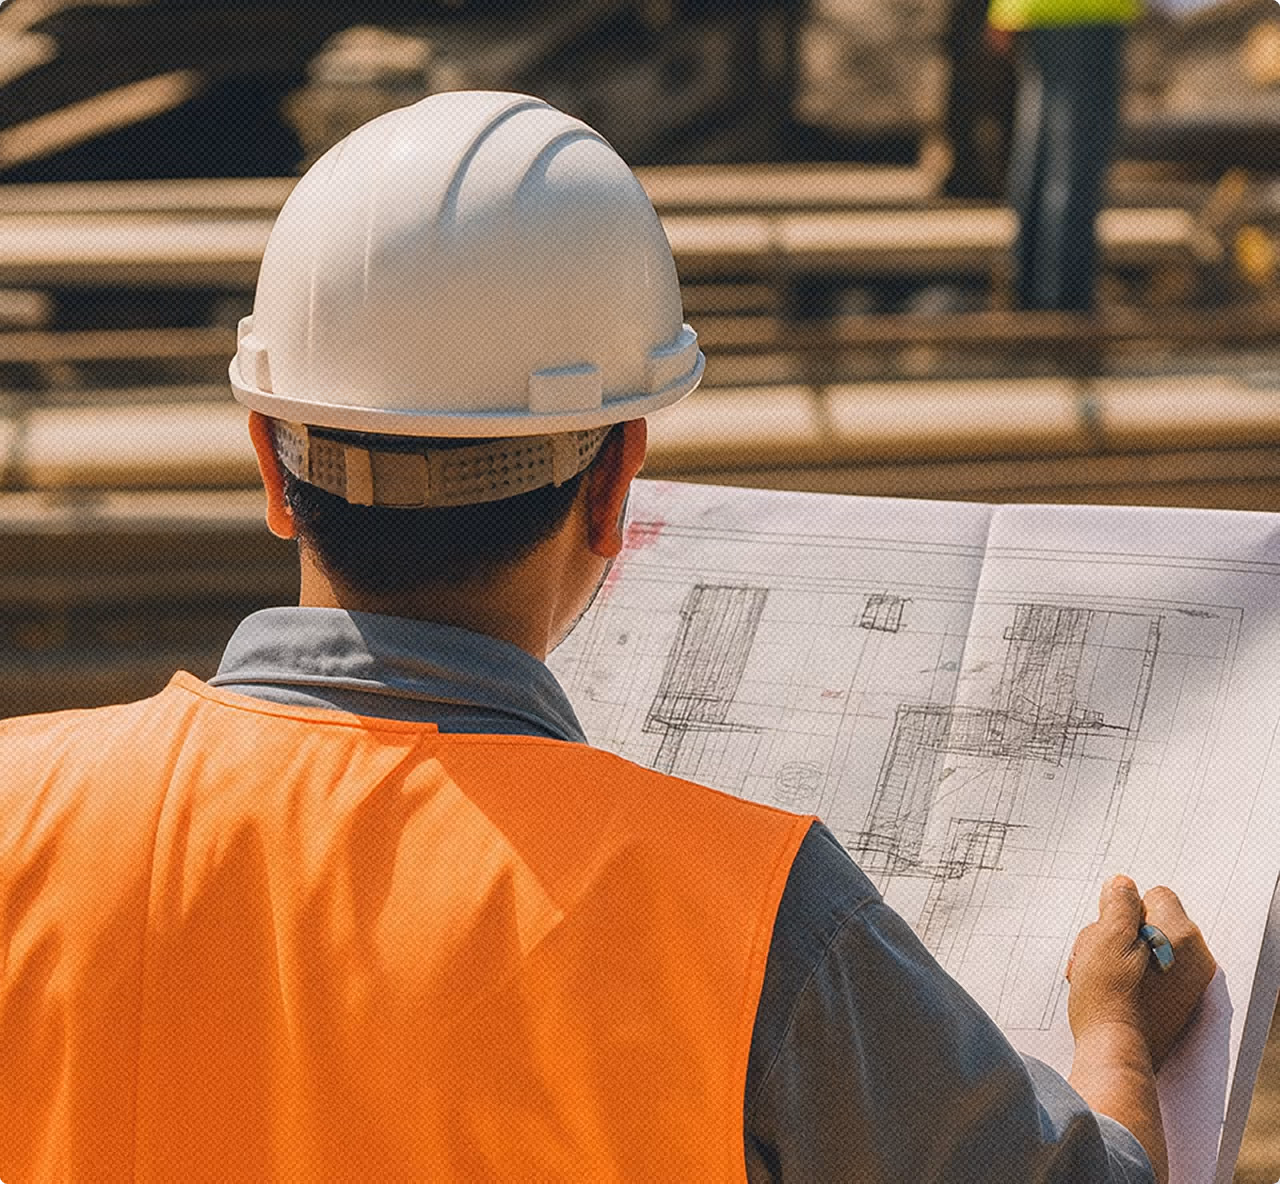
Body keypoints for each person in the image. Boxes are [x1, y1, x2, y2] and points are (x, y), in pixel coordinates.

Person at [0, 91, 1214, 1183]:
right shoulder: (758, 918)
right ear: (612, 483)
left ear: (271, 466)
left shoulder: (21, 815)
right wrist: (1113, 1035)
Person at [988, 0, 1142, 309]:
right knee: (1076, 158)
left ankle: (1030, 290)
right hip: (1086, 11)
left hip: (1037, 11)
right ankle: (1065, 299)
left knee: (1041, 152)